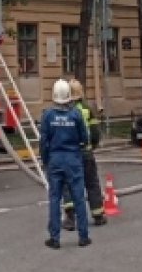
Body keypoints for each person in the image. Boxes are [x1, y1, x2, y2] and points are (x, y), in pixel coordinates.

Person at [40, 79, 90, 249]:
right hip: (73, 159)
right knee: (79, 198)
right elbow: (84, 137)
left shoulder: (47, 115)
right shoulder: (75, 114)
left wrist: (45, 160)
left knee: (55, 199)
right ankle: (83, 236)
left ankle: (54, 238)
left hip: (55, 159)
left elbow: (43, 141)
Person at [62, 79, 107, 230]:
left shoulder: (63, 111)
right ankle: (98, 215)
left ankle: (70, 219)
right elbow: (95, 133)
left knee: (69, 185)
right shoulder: (87, 109)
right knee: (92, 183)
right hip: (86, 154)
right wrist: (91, 146)